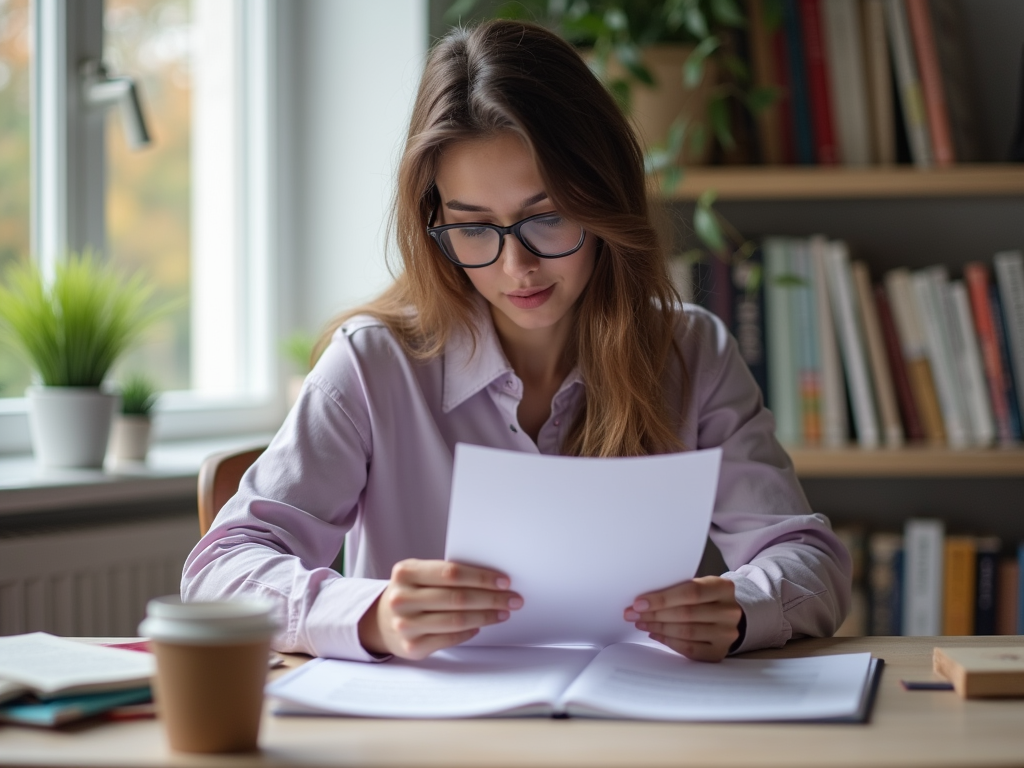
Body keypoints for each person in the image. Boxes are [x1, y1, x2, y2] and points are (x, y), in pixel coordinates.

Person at [182, 20, 851, 664]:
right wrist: (371, 613)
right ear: (433, 223)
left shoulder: (693, 352)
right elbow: (219, 569)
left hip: (637, 727)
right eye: (474, 227)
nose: (516, 268)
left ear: (604, 199)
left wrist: (741, 608)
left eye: (547, 217)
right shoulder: (371, 365)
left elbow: (809, 560)